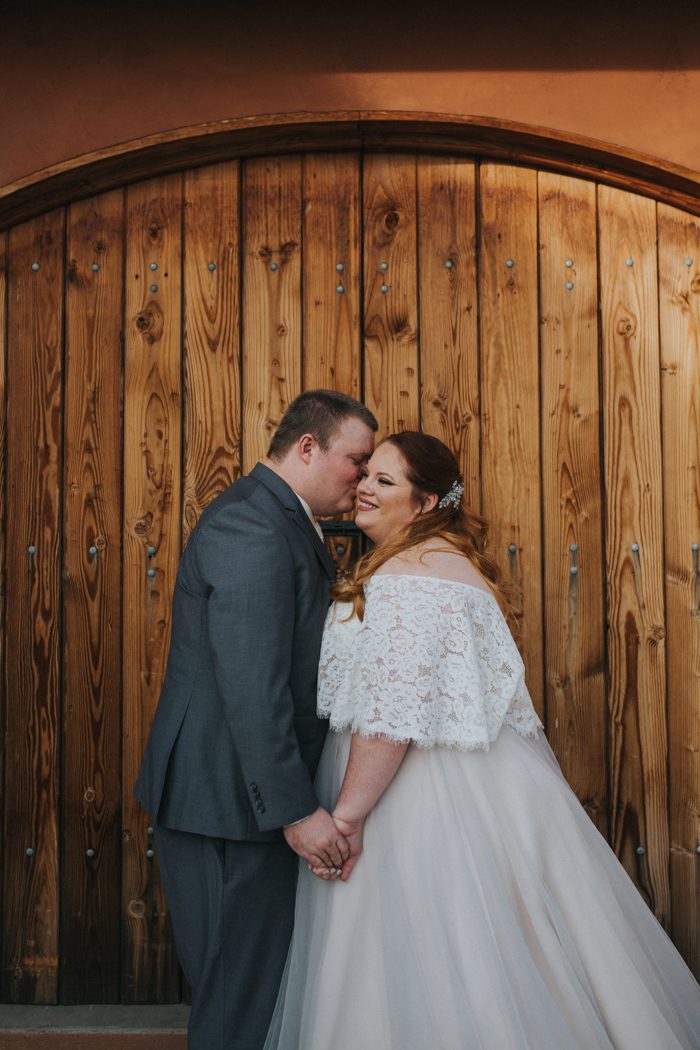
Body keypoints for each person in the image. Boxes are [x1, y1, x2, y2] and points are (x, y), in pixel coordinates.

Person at [264, 431, 700, 1050]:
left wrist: (349, 816)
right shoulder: (446, 564)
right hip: (486, 783)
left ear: (426, 503)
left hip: (411, 798)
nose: (365, 487)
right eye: (367, 474)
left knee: (423, 957)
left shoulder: (410, 577)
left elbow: (392, 713)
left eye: (386, 482)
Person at [135, 389, 377, 1050]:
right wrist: (295, 812)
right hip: (228, 805)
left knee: (246, 996)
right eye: (355, 462)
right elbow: (252, 681)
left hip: (236, 802)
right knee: (238, 1005)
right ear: (307, 447)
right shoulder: (252, 524)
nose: (361, 479)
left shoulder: (279, 518)